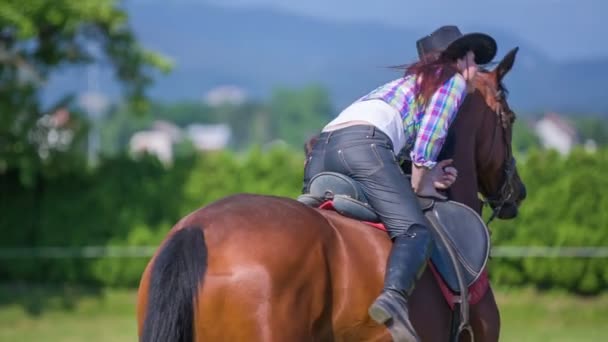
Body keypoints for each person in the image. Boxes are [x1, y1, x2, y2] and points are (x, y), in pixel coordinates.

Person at [301, 26, 497, 341]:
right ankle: (393, 297)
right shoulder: (452, 82)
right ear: (458, 61)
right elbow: (428, 142)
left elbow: (406, 152)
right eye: (472, 59)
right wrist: (424, 181)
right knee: (414, 231)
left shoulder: (402, 86)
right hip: (364, 147)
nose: (475, 69)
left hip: (323, 151)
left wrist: (428, 176)